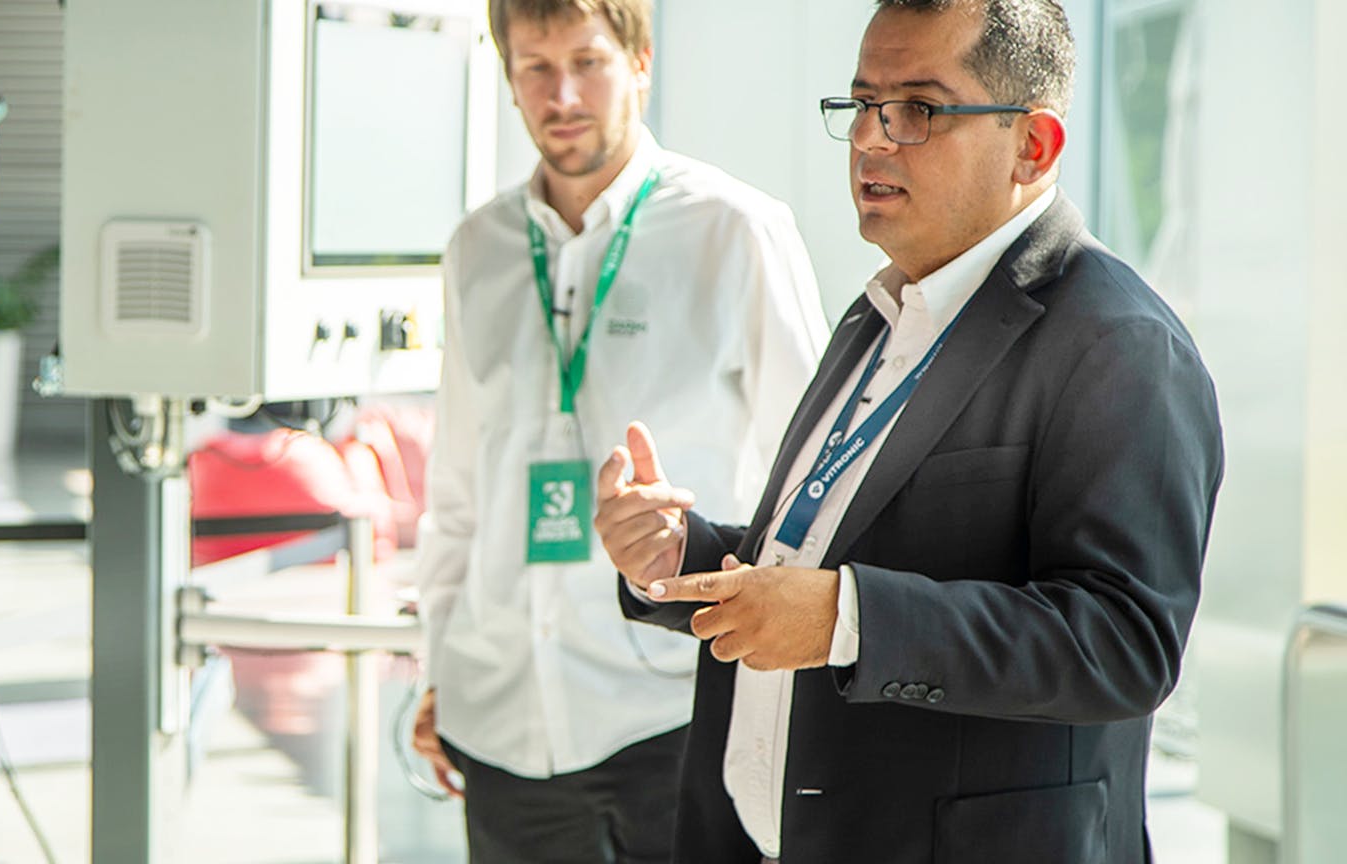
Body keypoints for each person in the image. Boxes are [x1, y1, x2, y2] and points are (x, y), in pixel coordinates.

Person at [592, 1, 1224, 862]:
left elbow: (1123, 643)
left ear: (1033, 146)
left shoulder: (1117, 342)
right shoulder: (882, 312)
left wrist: (849, 618)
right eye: (861, 106)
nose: (872, 141)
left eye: (918, 110)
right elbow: (842, 553)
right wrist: (686, 559)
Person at [408, 0, 828, 860]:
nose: (562, 93)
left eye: (588, 61)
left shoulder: (735, 230)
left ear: (639, 61)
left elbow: (818, 485)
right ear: (508, 75)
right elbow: (454, 495)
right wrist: (439, 669)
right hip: (502, 722)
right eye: (534, 67)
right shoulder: (475, 250)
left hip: (673, 711)